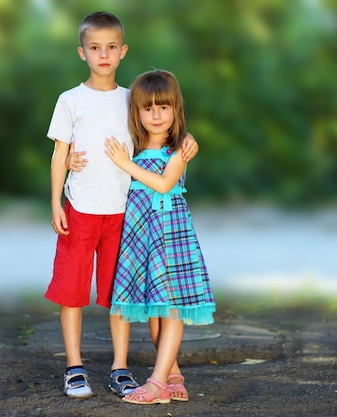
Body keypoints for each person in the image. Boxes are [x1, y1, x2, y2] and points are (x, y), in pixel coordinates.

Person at [44, 12, 200, 399]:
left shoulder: (132, 99)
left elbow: (162, 126)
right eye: (95, 48)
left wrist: (188, 139)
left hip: (125, 213)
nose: (103, 55)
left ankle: (120, 368)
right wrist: (56, 198)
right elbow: (58, 154)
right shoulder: (70, 100)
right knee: (72, 289)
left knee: (122, 294)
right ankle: (74, 366)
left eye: (111, 47)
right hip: (80, 207)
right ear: (82, 52)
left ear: (123, 51)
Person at [104, 69, 216, 405]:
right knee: (155, 312)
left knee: (171, 310)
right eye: (148, 108)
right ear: (136, 113)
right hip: (142, 236)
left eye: (164, 108)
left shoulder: (179, 147)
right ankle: (172, 373)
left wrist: (125, 164)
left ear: (175, 110)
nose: (156, 115)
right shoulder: (133, 147)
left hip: (169, 235)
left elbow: (165, 184)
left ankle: (156, 384)